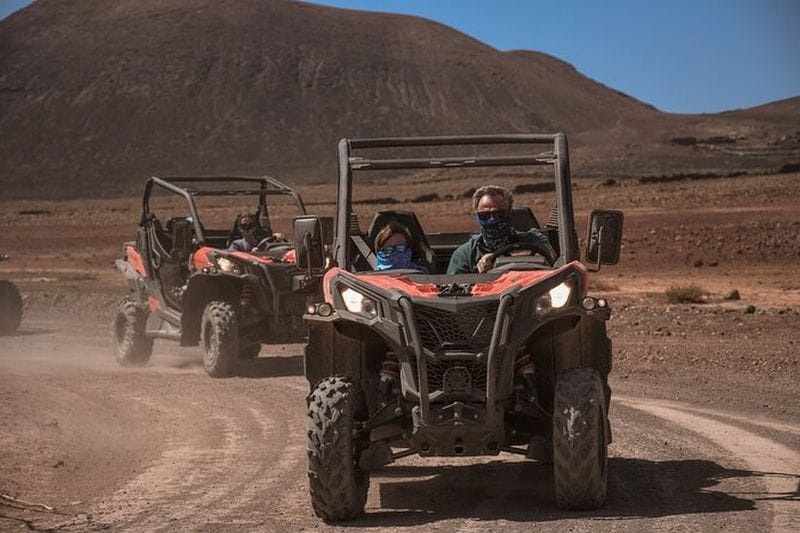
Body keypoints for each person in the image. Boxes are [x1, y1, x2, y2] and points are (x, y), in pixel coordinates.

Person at [447, 185, 556, 274]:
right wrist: (481, 275)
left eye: (499, 215)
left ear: (510, 214)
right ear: (477, 216)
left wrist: (504, 259)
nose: (492, 220)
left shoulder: (534, 240)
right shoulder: (466, 254)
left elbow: (555, 268)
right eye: (485, 216)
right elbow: (454, 292)